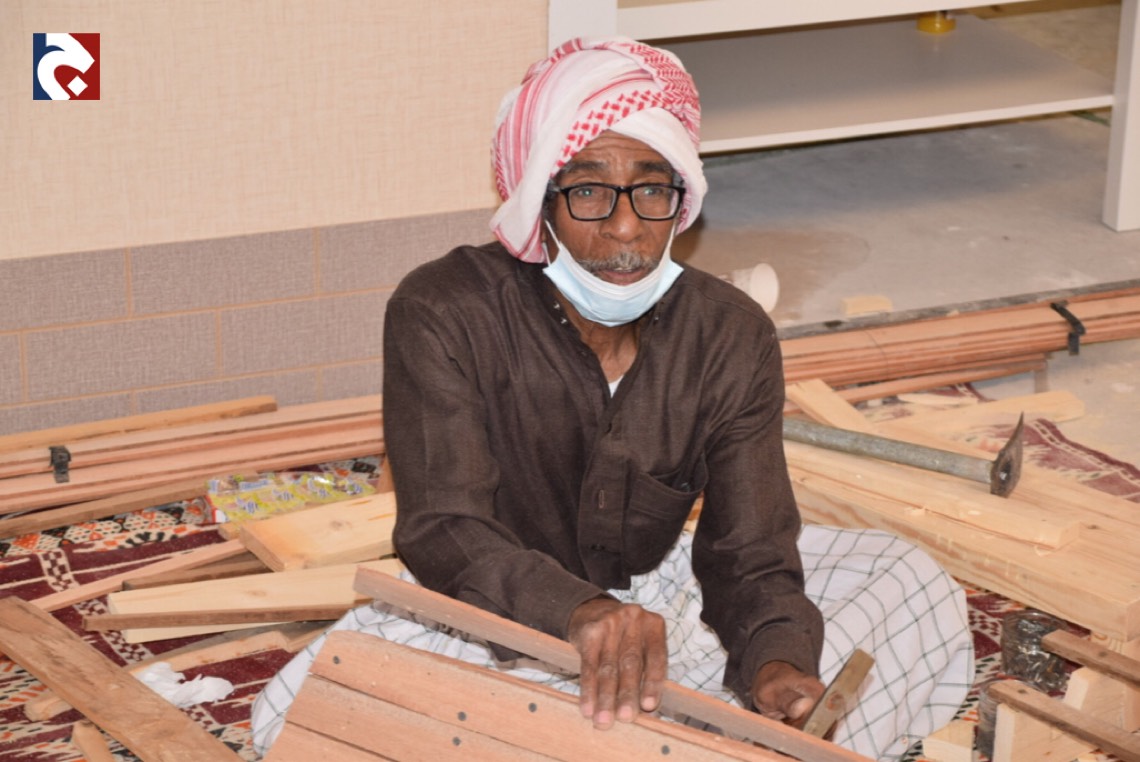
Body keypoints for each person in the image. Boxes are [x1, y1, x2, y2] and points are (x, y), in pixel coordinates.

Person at [251, 37, 973, 760]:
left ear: (681, 202)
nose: (625, 227)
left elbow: (749, 551)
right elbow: (445, 528)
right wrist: (577, 610)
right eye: (588, 192)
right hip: (494, 613)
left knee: (911, 584)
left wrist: (777, 666)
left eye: (652, 191)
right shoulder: (444, 311)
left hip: (659, 599)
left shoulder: (729, 334)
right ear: (538, 202)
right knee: (302, 711)